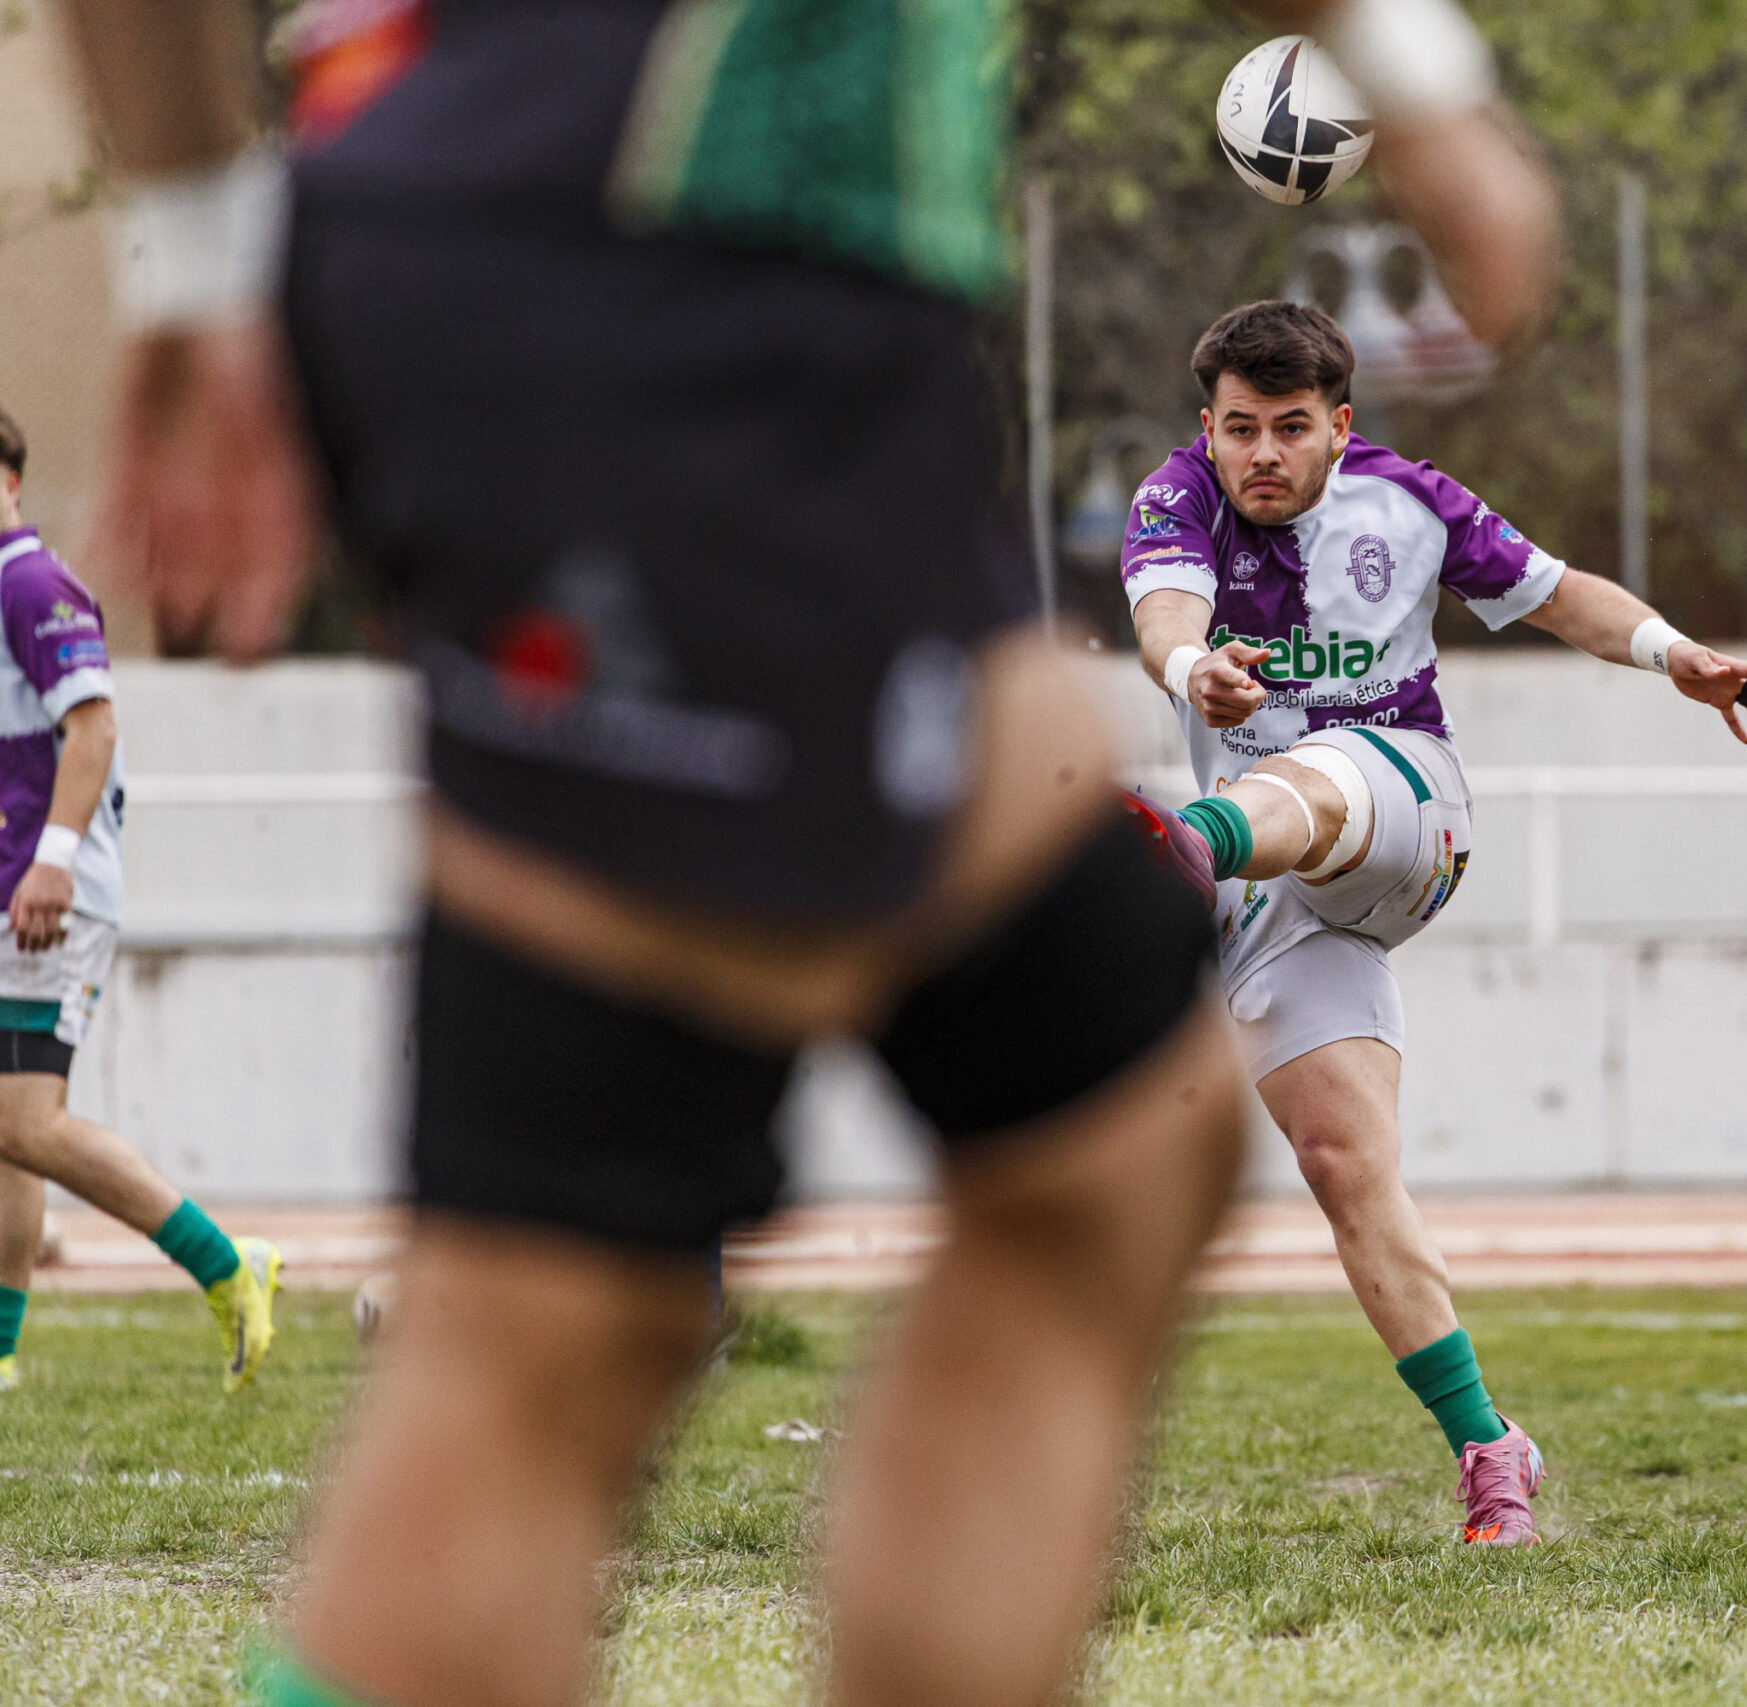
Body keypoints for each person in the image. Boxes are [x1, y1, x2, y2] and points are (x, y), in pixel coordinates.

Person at [58, 0, 1559, 1700]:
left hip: (701, 286)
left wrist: (195, 246)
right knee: (554, 1314)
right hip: (679, 250)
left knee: (1114, 1140)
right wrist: (1431, 97)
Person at [1125, 301, 1747, 1546]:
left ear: (1340, 427)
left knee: (1314, 772)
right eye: (1236, 430)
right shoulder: (1176, 501)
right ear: (1206, 430)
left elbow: (1559, 596)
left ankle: (1180, 843)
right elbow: (1165, 614)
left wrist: (1673, 656)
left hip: (1403, 809)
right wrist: (1187, 673)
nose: (1259, 454)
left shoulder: (1411, 501)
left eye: (1287, 429)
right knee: (1345, 1171)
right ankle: (1492, 1450)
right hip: (1278, 893)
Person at [0, 407, 283, 1395]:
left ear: (8, 479)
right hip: (19, 884)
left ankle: (226, 1263)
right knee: (10, 1127)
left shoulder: (30, 583)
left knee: (28, 1124)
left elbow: (95, 729)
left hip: (43, 894)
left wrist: (54, 860)